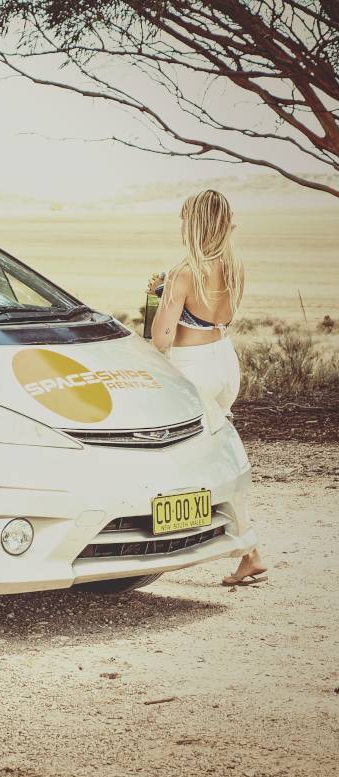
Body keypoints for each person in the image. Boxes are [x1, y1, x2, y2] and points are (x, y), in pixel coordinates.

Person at [147, 189, 266, 587]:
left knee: (166, 452)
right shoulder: (235, 267)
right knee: (211, 453)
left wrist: (162, 300)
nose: (180, 226)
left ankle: (241, 548)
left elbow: (162, 338)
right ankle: (245, 552)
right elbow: (213, 315)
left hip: (192, 368)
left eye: (184, 220)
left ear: (194, 225)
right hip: (225, 361)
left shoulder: (184, 272)